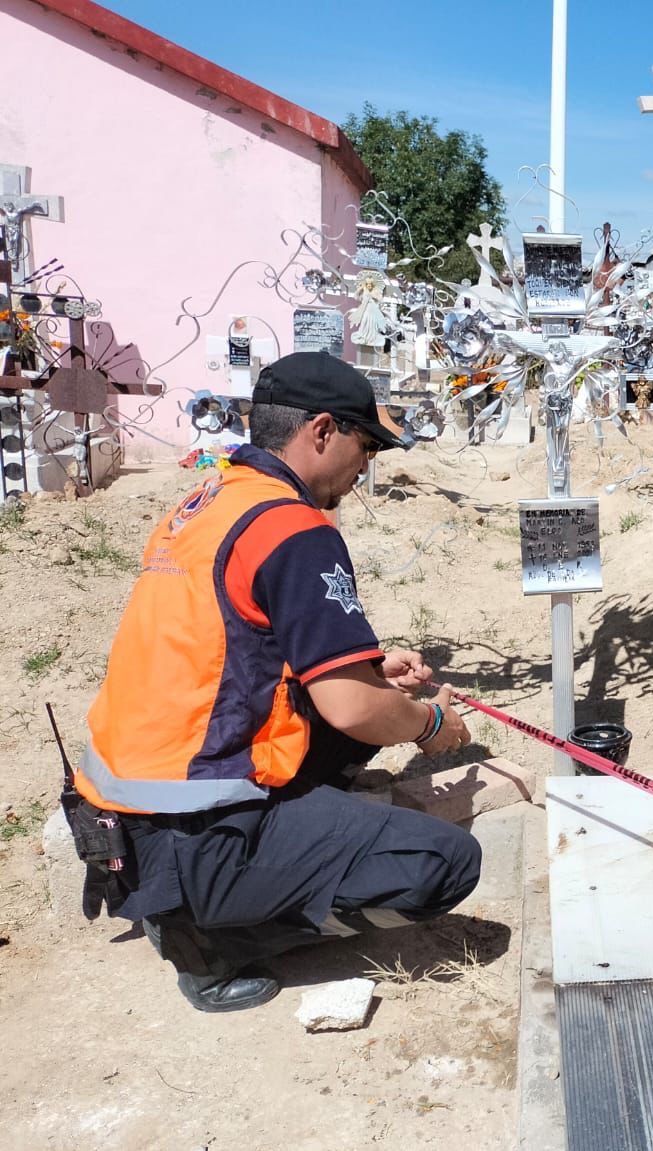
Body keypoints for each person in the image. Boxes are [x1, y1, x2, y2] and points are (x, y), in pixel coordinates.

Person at [72, 352, 483, 1013]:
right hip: (192, 826)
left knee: (365, 716)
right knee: (446, 865)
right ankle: (209, 939)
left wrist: (370, 666)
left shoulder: (212, 499)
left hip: (124, 804)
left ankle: (246, 870)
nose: (365, 467)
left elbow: (232, 639)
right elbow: (350, 707)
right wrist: (433, 726)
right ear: (322, 430)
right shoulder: (296, 528)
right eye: (364, 445)